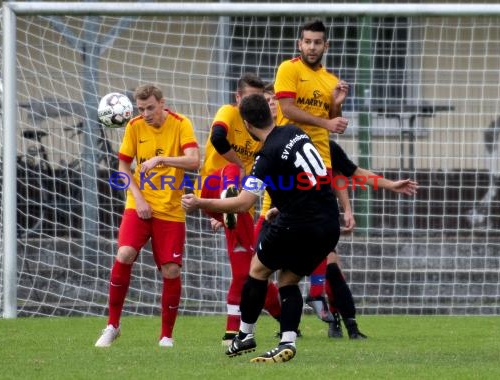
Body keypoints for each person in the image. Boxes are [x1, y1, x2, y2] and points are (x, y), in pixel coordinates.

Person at [182, 93, 340, 363]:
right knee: (288, 279)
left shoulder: (265, 156)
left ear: (246, 124)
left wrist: (199, 202)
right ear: (271, 114)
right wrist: (284, 203)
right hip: (328, 223)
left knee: (256, 270)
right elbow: (307, 174)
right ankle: (287, 340)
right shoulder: (294, 131)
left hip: (299, 225)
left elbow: (243, 203)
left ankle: (245, 334)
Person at [94, 84, 200, 348]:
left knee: (171, 269)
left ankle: (166, 336)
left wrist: (162, 161)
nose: (146, 113)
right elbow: (122, 166)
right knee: (124, 254)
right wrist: (138, 198)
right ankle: (112, 325)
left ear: (162, 103)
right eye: (141, 109)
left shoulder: (180, 124)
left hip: (170, 209)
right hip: (138, 205)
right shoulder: (134, 126)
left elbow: (194, 161)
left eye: (150, 107)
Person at [273, 19, 350, 326]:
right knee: (285, 224)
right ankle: (292, 292)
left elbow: (334, 122)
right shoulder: (288, 69)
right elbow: (288, 110)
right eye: (308, 41)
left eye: (318, 42)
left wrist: (337, 107)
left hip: (320, 160)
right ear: (299, 44)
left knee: (322, 229)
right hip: (289, 155)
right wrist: (327, 123)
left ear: (325, 46)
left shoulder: (331, 80)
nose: (313, 47)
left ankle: (316, 293)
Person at [197, 73, 280, 344]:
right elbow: (219, 138)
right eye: (249, 98)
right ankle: (234, 328)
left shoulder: (263, 129)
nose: (253, 104)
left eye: (258, 99)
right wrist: (240, 165)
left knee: (250, 267)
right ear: (237, 98)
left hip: (240, 207)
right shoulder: (229, 113)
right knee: (231, 169)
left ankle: (282, 314)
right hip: (211, 189)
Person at [323, 139, 418, 338]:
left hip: (318, 218)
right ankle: (286, 326)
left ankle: (347, 324)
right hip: (285, 216)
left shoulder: (326, 144)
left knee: (330, 267)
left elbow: (347, 173)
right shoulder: (281, 141)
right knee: (273, 275)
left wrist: (390, 185)